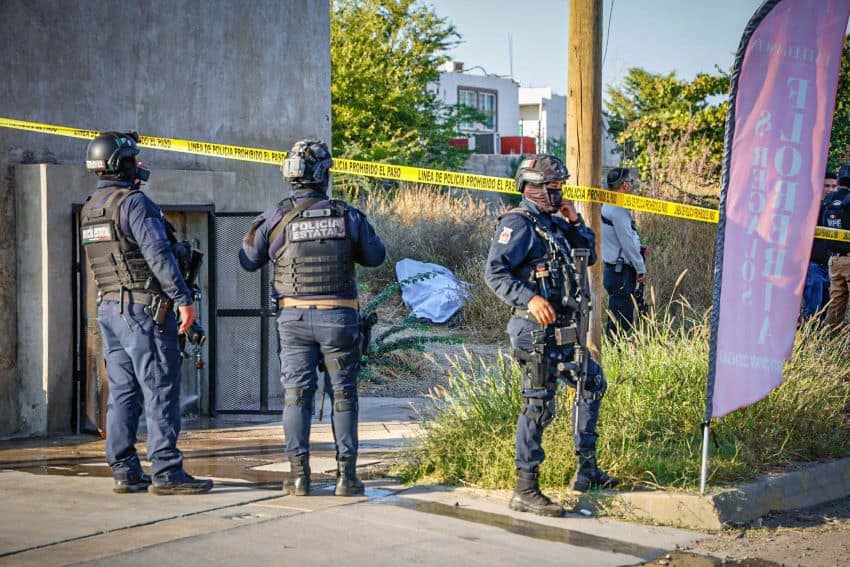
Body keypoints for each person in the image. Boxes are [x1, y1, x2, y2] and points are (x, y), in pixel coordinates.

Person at [240, 139, 386, 497]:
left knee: (296, 397)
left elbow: (247, 260)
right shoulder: (346, 214)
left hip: (292, 319)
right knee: (343, 396)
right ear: (323, 174)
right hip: (338, 318)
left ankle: (298, 476)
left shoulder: (277, 216)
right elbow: (376, 256)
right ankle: (346, 477)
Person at [485, 154, 618, 518]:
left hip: (564, 332)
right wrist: (530, 298)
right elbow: (494, 273)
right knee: (539, 406)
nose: (560, 192)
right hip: (534, 332)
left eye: (561, 186)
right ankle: (525, 489)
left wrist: (576, 222)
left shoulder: (554, 224)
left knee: (592, 382)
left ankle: (586, 470)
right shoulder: (519, 224)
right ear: (533, 188)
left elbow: (588, 255)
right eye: (554, 187)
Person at [81, 131, 213, 495]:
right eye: (133, 158)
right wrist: (183, 298)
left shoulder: (92, 206)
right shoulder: (134, 203)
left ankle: (124, 469)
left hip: (110, 309)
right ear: (120, 163)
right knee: (160, 389)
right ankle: (167, 472)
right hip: (144, 311)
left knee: (123, 391)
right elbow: (158, 254)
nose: (140, 164)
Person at [600, 167, 647, 337]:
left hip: (614, 270)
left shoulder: (608, 205)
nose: (632, 185)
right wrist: (641, 268)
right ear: (625, 186)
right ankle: (618, 353)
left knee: (618, 317)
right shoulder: (618, 211)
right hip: (621, 273)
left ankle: (616, 351)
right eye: (631, 182)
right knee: (622, 320)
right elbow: (628, 243)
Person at [801, 171, 837, 320]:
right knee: (814, 304)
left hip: (830, 264)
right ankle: (810, 332)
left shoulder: (839, 208)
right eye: (826, 185)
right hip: (811, 264)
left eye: (833, 186)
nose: (830, 189)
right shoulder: (810, 207)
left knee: (827, 304)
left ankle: (821, 337)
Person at [824, 165, 850, 329]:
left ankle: (827, 340)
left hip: (833, 260)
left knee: (836, 302)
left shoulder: (828, 200)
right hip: (849, 258)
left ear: (839, 180)